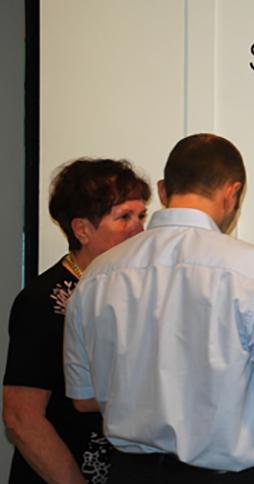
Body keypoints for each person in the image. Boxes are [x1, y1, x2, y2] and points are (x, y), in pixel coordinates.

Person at [63, 133, 254, 484]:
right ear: (232, 193)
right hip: (228, 477)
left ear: (163, 190)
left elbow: (84, 398)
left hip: (131, 475)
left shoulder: (96, 276)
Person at [3, 159, 151, 484]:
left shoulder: (136, 293)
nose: (139, 229)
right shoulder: (43, 302)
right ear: (82, 229)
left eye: (141, 216)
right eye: (124, 217)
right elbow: (21, 417)